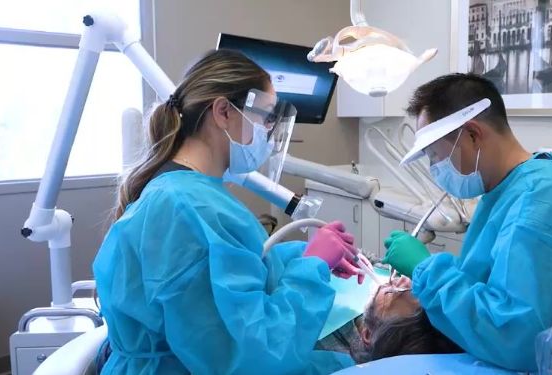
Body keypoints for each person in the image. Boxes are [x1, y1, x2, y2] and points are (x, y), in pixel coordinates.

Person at [93, 49, 361, 375]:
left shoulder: (183, 193)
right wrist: (313, 266)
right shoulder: (189, 209)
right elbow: (253, 354)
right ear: (223, 112)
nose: (268, 131)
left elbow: (236, 269)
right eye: (266, 117)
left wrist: (305, 255)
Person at [381, 73, 552, 372]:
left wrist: (426, 272)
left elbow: (516, 337)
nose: (435, 168)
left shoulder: (545, 203)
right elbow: (491, 289)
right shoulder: (505, 192)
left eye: (435, 155)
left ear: (472, 134)